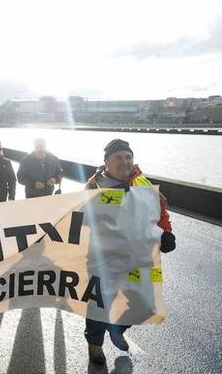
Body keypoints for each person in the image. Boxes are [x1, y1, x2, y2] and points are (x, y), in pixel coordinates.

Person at [84, 138, 176, 365]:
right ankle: (94, 344)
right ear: (106, 162)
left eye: (128, 157)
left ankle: (117, 328)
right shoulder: (93, 187)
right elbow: (79, 220)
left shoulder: (142, 183)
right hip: (103, 260)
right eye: (119, 158)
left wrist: (166, 232)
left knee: (145, 304)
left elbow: (160, 210)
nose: (125, 162)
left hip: (137, 259)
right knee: (99, 305)